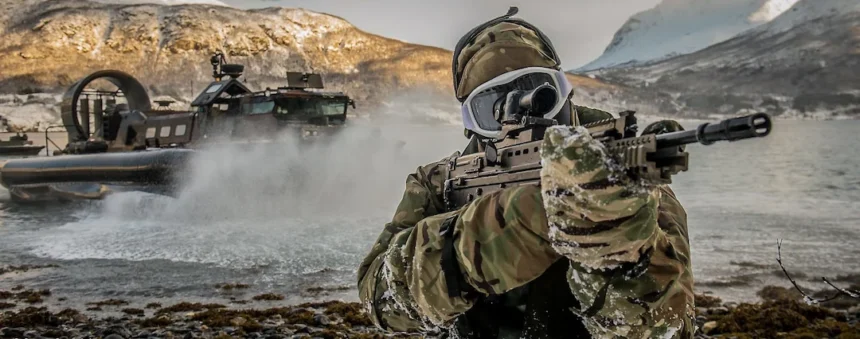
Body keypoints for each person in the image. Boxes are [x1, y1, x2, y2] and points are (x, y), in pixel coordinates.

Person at [357, 7, 694, 339]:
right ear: (471, 122)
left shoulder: (616, 173)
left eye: (538, 90)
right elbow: (381, 302)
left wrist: (620, 255)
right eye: (490, 107)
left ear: (562, 93)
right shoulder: (439, 183)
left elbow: (669, 329)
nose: (517, 114)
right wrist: (475, 242)